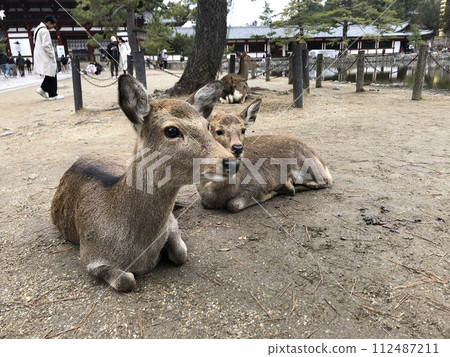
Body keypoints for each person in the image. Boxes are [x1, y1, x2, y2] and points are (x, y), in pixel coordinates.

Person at [33, 15, 64, 100]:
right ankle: (52, 93)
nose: (53, 27)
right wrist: (52, 54)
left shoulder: (37, 29)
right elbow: (46, 45)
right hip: (45, 55)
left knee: (50, 73)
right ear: (49, 23)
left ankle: (44, 90)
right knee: (52, 72)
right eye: (53, 25)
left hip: (40, 54)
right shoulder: (45, 31)